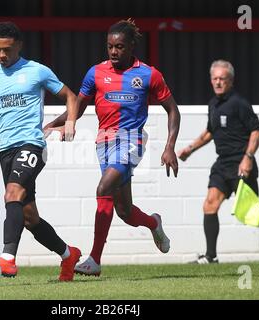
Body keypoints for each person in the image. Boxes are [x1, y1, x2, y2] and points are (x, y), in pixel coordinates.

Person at [44, 19, 181, 276]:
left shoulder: (149, 74)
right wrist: (53, 124)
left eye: (119, 46)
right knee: (125, 212)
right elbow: (79, 106)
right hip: (104, 141)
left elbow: (173, 109)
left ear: (131, 46)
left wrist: (169, 146)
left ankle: (94, 259)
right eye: (110, 47)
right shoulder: (96, 73)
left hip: (132, 141)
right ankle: (154, 222)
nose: (114, 52)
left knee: (103, 187)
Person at [0, 21, 81, 281]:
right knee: (29, 218)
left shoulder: (37, 71)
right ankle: (69, 255)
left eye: (7, 49)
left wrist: (70, 122)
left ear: (19, 45)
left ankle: (8, 258)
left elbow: (71, 96)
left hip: (32, 144)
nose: (2, 55)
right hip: (6, 151)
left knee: (11, 193)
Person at [177, 60, 259, 264]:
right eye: (214, 78)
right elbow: (210, 132)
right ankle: (210, 257)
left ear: (230, 81)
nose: (218, 82)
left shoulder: (239, 103)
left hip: (241, 163)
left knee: (251, 213)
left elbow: (256, 131)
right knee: (209, 205)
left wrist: (247, 158)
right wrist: (190, 149)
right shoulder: (213, 104)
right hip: (222, 165)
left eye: (222, 79)